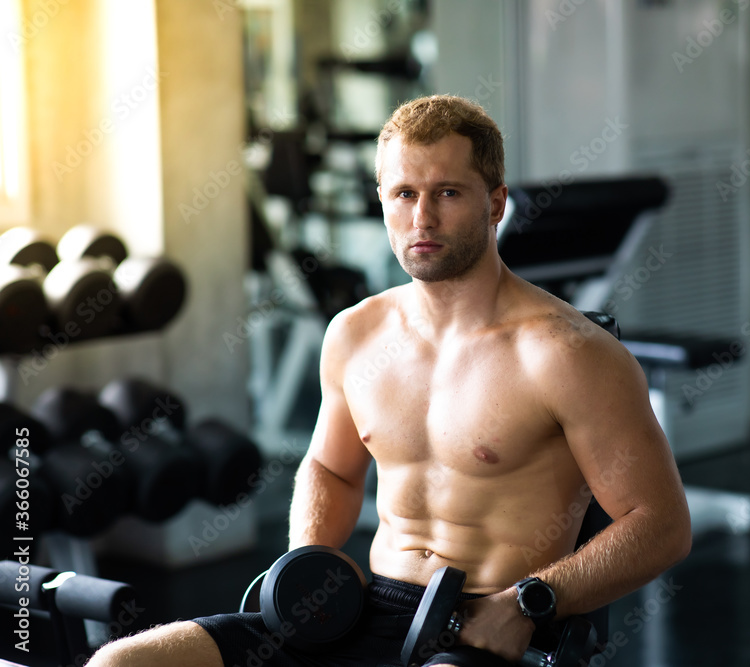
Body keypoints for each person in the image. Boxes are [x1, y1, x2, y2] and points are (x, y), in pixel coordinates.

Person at [87, 94, 691, 667]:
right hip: (356, 609)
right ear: (382, 200)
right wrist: (309, 564)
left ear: (496, 203)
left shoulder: (566, 354)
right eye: (403, 193)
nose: (421, 217)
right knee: (119, 660)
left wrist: (530, 603)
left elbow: (661, 524)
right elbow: (331, 468)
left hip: (483, 622)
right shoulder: (356, 333)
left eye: (447, 192)